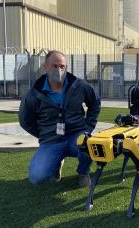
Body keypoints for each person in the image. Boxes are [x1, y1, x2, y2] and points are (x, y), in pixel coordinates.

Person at [19, 50, 101, 187]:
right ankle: (56, 164)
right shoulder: (33, 94)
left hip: (76, 135)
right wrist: (44, 134)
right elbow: (25, 120)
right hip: (51, 140)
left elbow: (95, 103)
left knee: (88, 143)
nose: (59, 70)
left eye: (62, 66)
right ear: (45, 67)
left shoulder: (79, 85)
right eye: (54, 66)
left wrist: (88, 127)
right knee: (37, 177)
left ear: (66, 67)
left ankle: (83, 172)